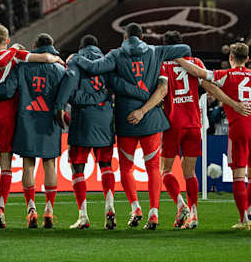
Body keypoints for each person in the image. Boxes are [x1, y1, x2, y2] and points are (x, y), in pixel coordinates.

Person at [72, 23, 192, 230]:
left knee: (126, 167)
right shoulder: (156, 51)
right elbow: (186, 49)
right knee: (153, 166)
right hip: (151, 117)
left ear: (124, 37)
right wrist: (166, 55)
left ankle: (135, 207)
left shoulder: (116, 54)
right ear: (142, 36)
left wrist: (76, 58)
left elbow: (93, 68)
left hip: (126, 118)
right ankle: (154, 213)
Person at [0, 24, 63, 228]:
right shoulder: (19, 58)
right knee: (43, 164)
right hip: (29, 118)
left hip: (5, 116)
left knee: (5, 164)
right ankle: (39, 210)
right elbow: (63, 90)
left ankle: (1, 208)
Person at [158, 30, 244, 229]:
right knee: (190, 173)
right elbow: (208, 85)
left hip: (172, 123)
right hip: (194, 123)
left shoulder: (162, 65)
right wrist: (230, 103)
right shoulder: (195, 62)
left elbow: (161, 90)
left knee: (165, 170)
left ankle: (181, 206)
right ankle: (194, 214)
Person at [177, 43, 251, 230]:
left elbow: (201, 74)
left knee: (238, 175)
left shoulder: (225, 74)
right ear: (248, 59)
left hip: (239, 127)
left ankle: (243, 219)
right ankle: (249, 211)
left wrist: (178, 59)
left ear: (230, 58)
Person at [57, 35, 116, 230]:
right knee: (106, 165)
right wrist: (100, 97)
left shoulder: (75, 62)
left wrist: (65, 105)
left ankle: (83, 215)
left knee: (78, 167)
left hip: (82, 119)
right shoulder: (108, 61)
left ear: (80, 48)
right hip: (105, 119)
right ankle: (110, 207)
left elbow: (68, 92)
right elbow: (112, 89)